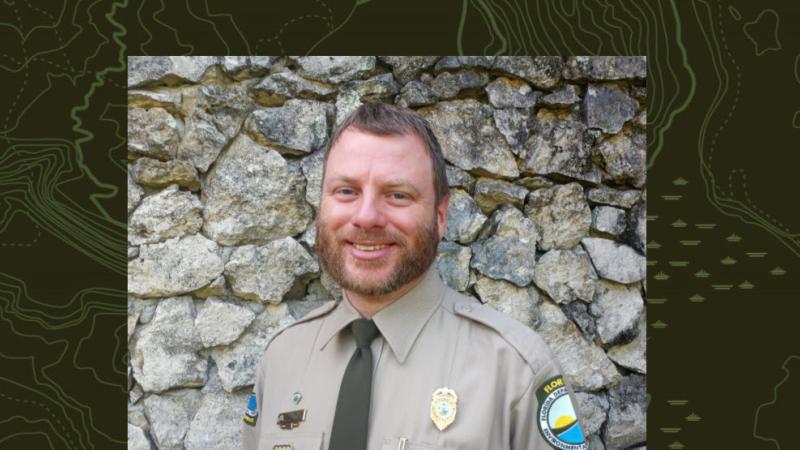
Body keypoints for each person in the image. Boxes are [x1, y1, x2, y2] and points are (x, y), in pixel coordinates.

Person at [242, 103, 587, 450]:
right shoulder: (281, 360)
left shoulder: (516, 372)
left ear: (440, 216)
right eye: (346, 191)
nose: (366, 217)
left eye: (397, 195)